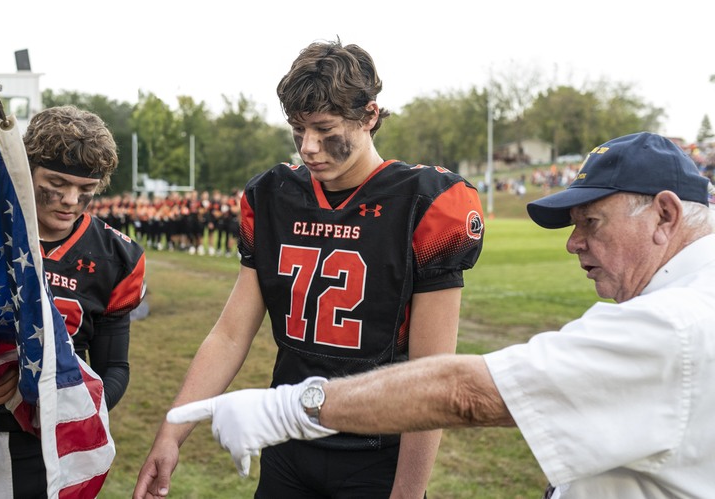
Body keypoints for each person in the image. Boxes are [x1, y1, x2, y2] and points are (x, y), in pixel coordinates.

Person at [164, 131, 715, 499]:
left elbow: (464, 393)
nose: (574, 244)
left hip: (369, 458)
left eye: (591, 222)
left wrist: (288, 407)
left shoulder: (676, 322)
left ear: (664, 214)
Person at [133, 39, 484, 499]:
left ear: (370, 116)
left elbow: (431, 371)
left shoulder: (427, 202)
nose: (309, 147)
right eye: (297, 129)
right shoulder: (274, 195)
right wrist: (171, 432)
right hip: (287, 441)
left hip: (375, 453)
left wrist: (408, 491)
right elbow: (230, 334)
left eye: (324, 128)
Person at [0, 105, 147, 498]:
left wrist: (67, 406)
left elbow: (114, 366)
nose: (70, 200)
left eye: (86, 190)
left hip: (49, 451)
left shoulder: (116, 256)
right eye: (56, 182)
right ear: (25, 168)